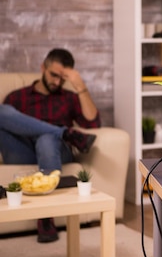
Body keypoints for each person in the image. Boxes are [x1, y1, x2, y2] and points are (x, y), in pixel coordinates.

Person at [0, 48, 100, 242]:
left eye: (62, 78)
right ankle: (64, 132)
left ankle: (46, 218)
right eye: (54, 75)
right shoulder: (17, 97)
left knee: (46, 139)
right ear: (42, 68)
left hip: (55, 152)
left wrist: (80, 86)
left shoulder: (69, 98)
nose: (57, 82)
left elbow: (93, 124)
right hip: (23, 152)